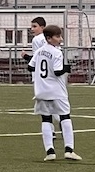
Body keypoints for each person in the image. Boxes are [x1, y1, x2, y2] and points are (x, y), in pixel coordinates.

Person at [31, 24, 80, 161]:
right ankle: (69, 150)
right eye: (57, 36)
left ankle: (50, 152)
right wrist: (67, 68)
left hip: (41, 91)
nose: (60, 39)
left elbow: (30, 66)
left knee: (46, 119)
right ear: (49, 38)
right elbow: (58, 71)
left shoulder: (39, 51)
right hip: (57, 91)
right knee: (65, 117)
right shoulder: (57, 52)